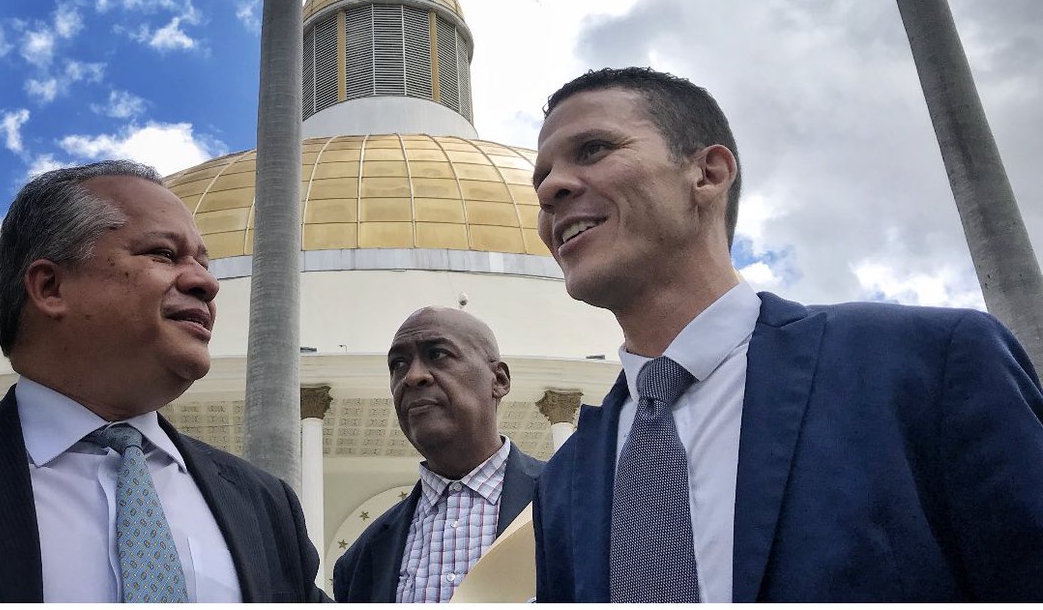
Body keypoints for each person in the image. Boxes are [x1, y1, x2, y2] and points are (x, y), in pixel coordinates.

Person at [530, 67, 1043, 602]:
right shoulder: (566, 479)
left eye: (592, 149)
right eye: (540, 177)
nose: (549, 189)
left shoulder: (926, 366)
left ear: (707, 173)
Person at [0, 160, 325, 602]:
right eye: (163, 254)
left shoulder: (265, 507)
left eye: (203, 262)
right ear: (50, 287)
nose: (206, 283)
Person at [332, 306, 544, 602]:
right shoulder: (362, 560)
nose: (413, 376)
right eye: (399, 364)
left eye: (437, 355)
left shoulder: (571, 500)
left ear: (499, 380)